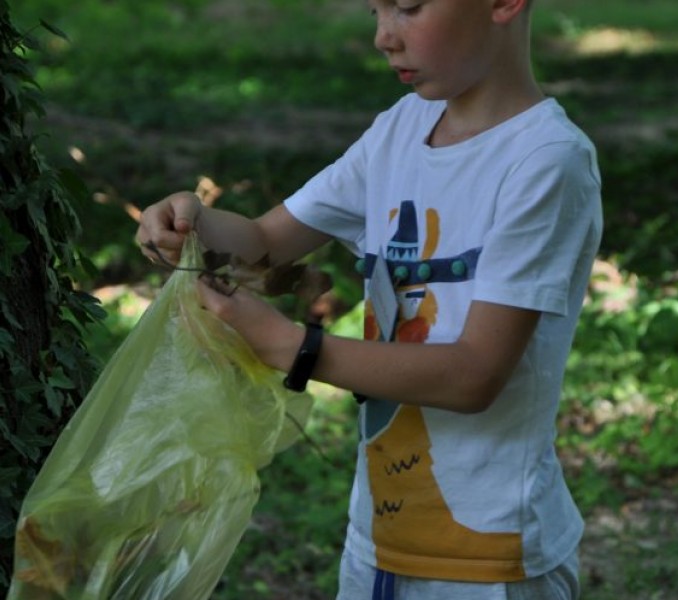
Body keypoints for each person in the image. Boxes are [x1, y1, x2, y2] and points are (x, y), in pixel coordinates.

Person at [136, 0, 602, 597]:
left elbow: (474, 376)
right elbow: (263, 242)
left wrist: (291, 347)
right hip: (378, 538)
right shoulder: (402, 129)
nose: (384, 36)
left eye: (408, 7)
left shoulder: (546, 162)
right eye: (375, 9)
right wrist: (190, 221)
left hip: (491, 559)